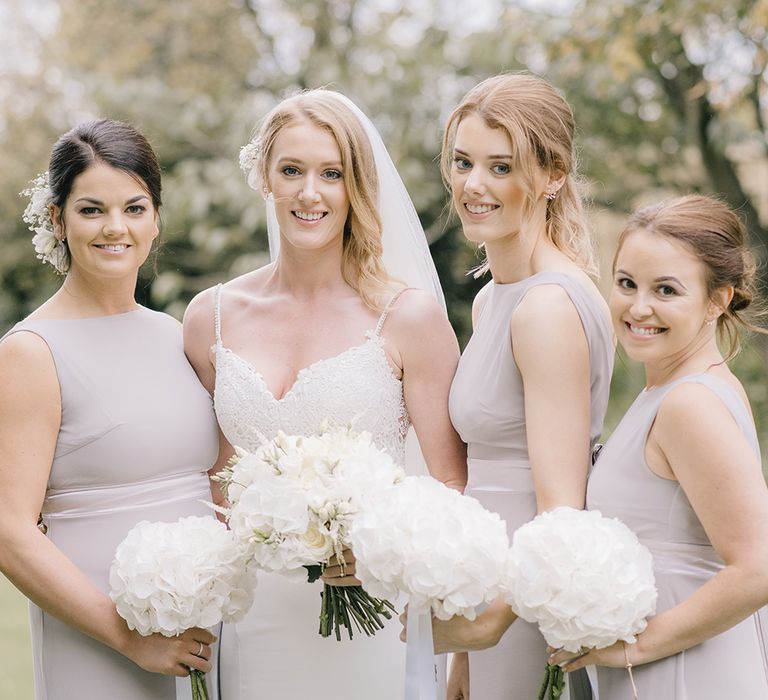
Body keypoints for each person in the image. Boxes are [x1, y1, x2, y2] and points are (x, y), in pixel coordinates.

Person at [183, 88, 467, 699]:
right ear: (265, 177)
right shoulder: (212, 317)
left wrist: (378, 551)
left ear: (355, 188)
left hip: (372, 614)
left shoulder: (405, 318)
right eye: (292, 171)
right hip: (250, 619)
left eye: (331, 174)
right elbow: (213, 479)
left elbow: (451, 486)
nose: (310, 193)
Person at [0, 119, 220, 700]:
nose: (115, 228)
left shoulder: (173, 334)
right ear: (57, 219)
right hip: (99, 638)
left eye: (134, 207)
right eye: (92, 209)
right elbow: (9, 531)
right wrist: (128, 638)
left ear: (155, 218)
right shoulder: (30, 351)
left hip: (207, 628)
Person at [427, 73, 615, 700]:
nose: (474, 185)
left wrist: (491, 627)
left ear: (553, 174)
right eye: (464, 162)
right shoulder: (492, 302)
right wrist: (463, 654)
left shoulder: (548, 308)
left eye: (500, 166)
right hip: (483, 585)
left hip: (524, 601)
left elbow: (562, 506)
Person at [550, 195, 768, 697]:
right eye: (626, 283)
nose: (638, 307)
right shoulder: (673, 391)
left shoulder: (689, 404)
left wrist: (637, 648)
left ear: (718, 300)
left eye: (666, 290)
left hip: (685, 673)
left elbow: (757, 567)